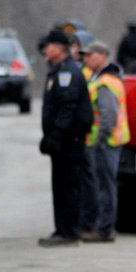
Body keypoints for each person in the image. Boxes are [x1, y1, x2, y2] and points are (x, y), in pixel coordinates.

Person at [37, 28, 94, 247]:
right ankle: (62, 229)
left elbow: (67, 108)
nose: (46, 49)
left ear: (60, 49)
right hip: (62, 141)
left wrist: (56, 135)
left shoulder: (66, 73)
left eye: (50, 46)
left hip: (69, 141)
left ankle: (69, 232)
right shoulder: (58, 70)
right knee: (59, 186)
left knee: (68, 186)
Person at [79, 41, 130, 242]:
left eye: (89, 55)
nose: (86, 59)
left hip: (105, 143)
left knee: (104, 187)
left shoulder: (105, 83)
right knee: (104, 186)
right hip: (106, 142)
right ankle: (103, 227)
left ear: (101, 56)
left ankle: (104, 229)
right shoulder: (102, 79)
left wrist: (101, 139)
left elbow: (108, 115)